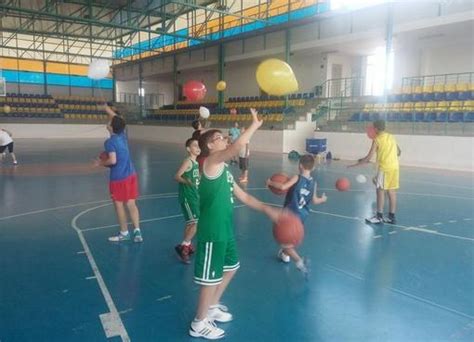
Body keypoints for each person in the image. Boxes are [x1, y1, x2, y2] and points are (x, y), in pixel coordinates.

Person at [189, 108, 280, 340]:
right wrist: (254, 126)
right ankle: (199, 324)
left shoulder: (225, 172)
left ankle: (212, 306)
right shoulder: (211, 162)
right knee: (210, 279)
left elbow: (246, 197)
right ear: (210, 146)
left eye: (223, 136)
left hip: (225, 230)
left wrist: (267, 209)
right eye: (219, 138)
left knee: (231, 267)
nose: (224, 139)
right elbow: (236, 148)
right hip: (212, 231)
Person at [266, 154, 327, 275]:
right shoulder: (313, 182)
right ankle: (284, 255)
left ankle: (299, 261)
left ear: (300, 166)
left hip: (290, 214)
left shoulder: (297, 178)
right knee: (288, 236)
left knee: (282, 236)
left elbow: (283, 186)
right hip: (303, 215)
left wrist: (270, 182)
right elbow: (314, 200)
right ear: (313, 168)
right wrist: (323, 199)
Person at [95, 105, 143, 243]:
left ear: (111, 127)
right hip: (131, 175)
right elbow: (118, 119)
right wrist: (106, 109)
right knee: (131, 204)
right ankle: (137, 232)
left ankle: (124, 233)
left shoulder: (110, 142)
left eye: (109, 121)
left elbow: (112, 160)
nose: (108, 121)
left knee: (119, 205)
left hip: (119, 178)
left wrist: (100, 163)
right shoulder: (123, 135)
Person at [349, 120, 400, 224]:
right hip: (395, 167)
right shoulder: (391, 137)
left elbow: (368, 157)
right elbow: (399, 152)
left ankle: (379, 216)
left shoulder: (377, 139)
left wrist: (355, 165)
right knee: (391, 191)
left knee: (380, 191)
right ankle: (391, 216)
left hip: (385, 168)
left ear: (376, 129)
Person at [174, 137, 201, 263]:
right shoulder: (188, 161)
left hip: (194, 196)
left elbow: (196, 179)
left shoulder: (196, 163)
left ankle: (186, 244)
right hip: (187, 197)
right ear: (188, 149)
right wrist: (186, 181)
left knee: (191, 223)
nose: (198, 148)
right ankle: (184, 246)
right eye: (195, 146)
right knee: (197, 222)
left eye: (198, 146)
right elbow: (177, 176)